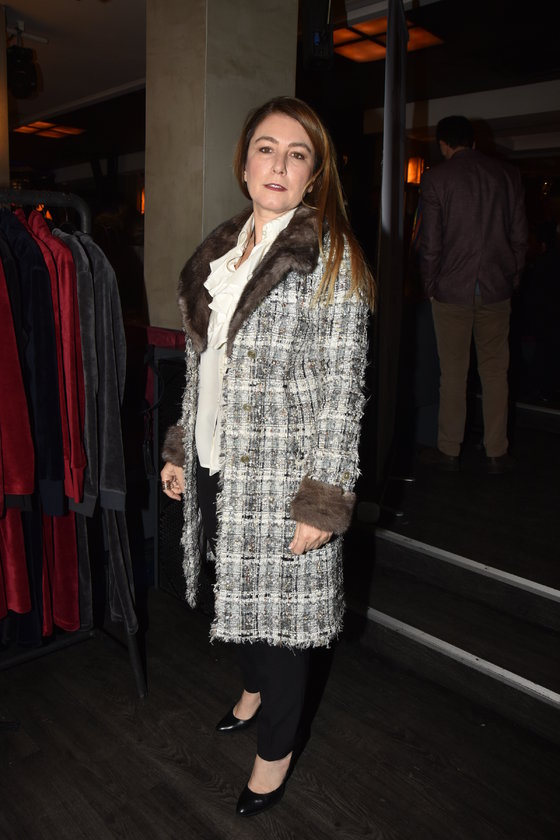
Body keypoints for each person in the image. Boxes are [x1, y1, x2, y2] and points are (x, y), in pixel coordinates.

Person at [160, 96, 374, 817]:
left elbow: (343, 392)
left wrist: (323, 498)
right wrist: (181, 446)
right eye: (265, 148)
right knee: (232, 587)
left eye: (297, 153)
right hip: (217, 459)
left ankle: (275, 751)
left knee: (283, 627)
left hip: (285, 477)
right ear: (244, 162)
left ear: (315, 175)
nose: (279, 164)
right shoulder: (220, 253)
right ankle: (250, 689)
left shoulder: (331, 258)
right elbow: (203, 365)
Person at [418, 115, 527, 474]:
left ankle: (449, 450)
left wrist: (429, 285)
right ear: (474, 141)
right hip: (496, 288)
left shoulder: (436, 178)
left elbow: (431, 242)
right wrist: (511, 278)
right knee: (496, 372)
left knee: (453, 374)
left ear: (444, 145)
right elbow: (519, 236)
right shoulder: (507, 175)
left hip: (451, 290)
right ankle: (497, 452)